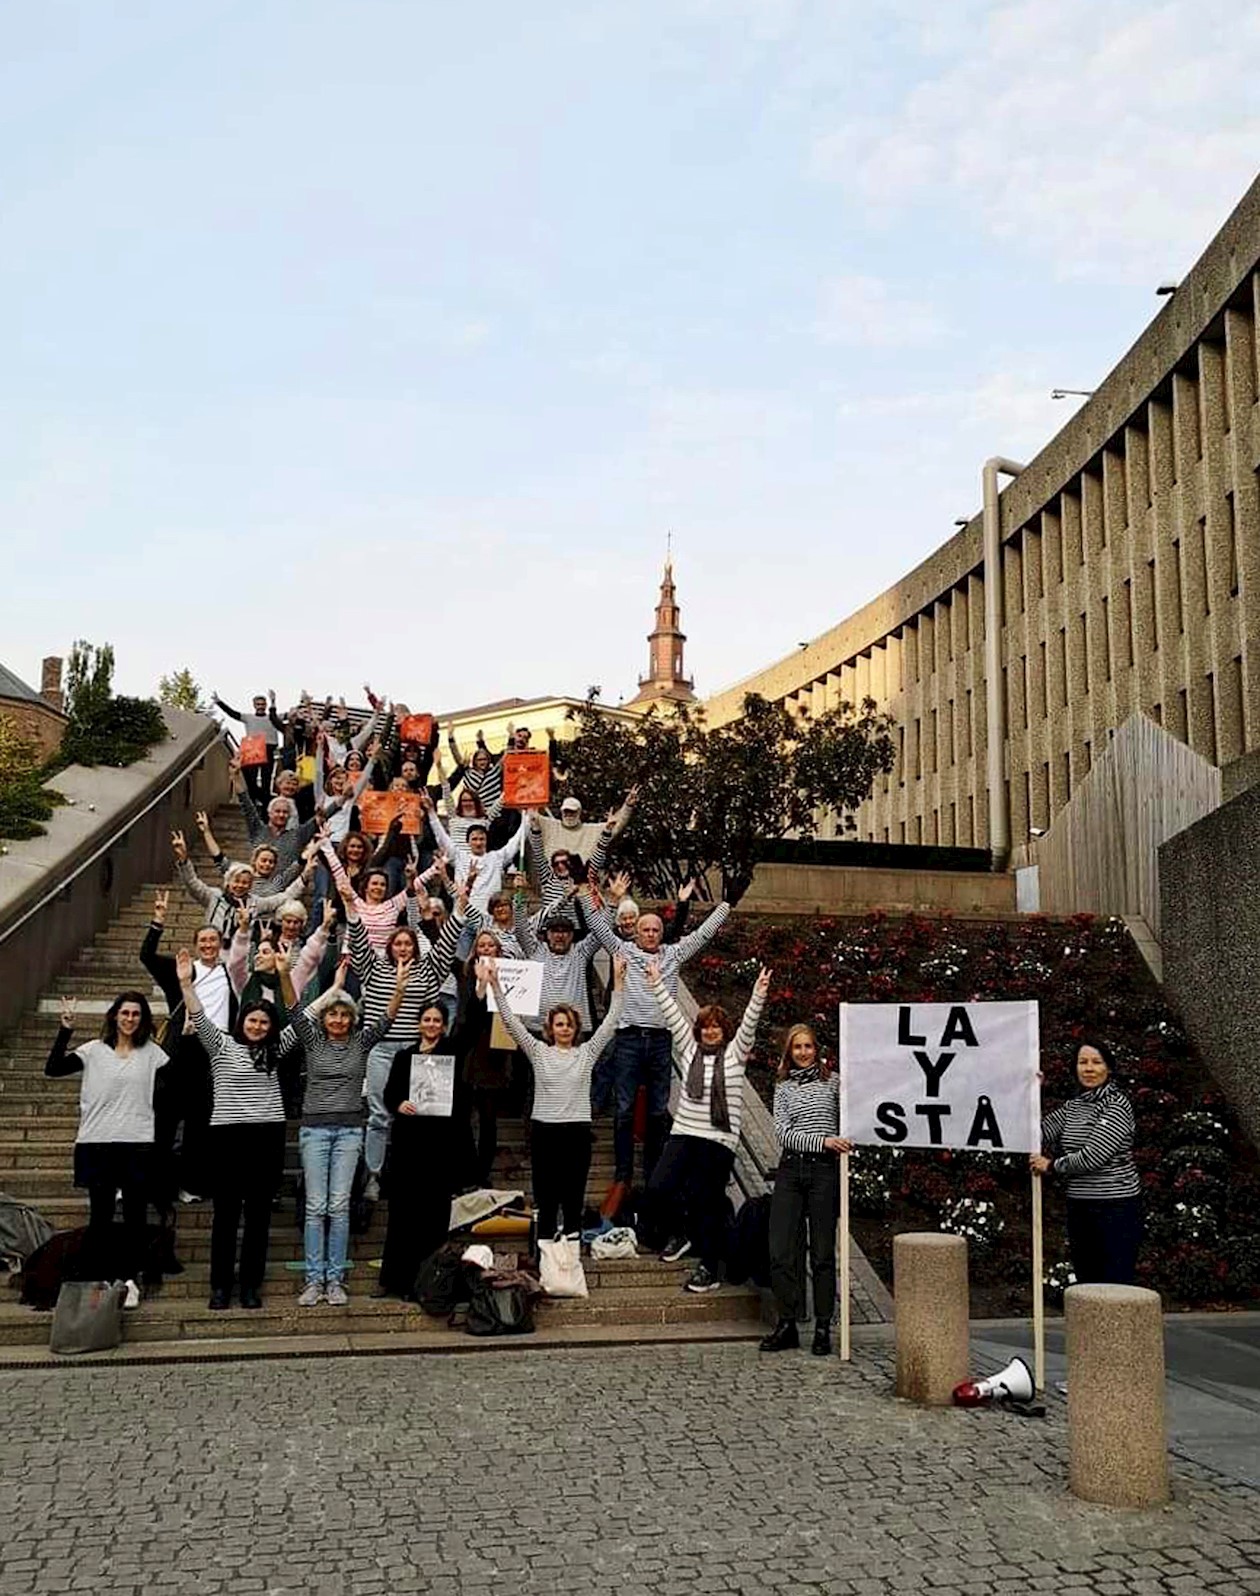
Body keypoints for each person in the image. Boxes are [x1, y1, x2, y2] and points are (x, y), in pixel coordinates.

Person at [175, 948, 302, 1310]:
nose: (258, 1027)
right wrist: (186, 983)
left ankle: (250, 1285)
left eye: (264, 1022)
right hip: (229, 1138)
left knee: (259, 1218)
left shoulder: (277, 1050)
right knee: (226, 1217)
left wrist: (283, 977)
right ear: (242, 1022)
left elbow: (301, 1019)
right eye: (252, 1021)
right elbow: (199, 1017)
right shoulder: (222, 1047)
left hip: (266, 1136)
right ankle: (220, 1285)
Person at [590, 872, 731, 1189]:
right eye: (645, 930)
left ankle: (653, 1172)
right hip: (627, 1039)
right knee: (624, 1109)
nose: (651, 934)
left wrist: (725, 904)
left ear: (661, 932)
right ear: (635, 932)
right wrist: (613, 900)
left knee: (657, 1110)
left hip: (659, 1040)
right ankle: (623, 1174)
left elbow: (704, 934)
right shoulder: (624, 951)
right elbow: (598, 926)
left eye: (656, 930)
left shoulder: (673, 954)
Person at [339, 869, 471, 1201]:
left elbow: (447, 941)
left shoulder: (429, 968)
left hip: (420, 1052)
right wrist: (350, 907)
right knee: (381, 1114)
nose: (401, 947)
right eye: (396, 943)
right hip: (381, 1050)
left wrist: (459, 908)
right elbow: (357, 937)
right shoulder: (374, 968)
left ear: (414, 946)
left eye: (407, 943)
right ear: (389, 947)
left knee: (424, 1116)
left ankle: (422, 1174)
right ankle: (373, 1175)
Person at [644, 962, 770, 1294]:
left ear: (724, 1031)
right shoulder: (688, 1048)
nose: (710, 1031)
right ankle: (683, 1232)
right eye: (705, 1027)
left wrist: (758, 993)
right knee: (658, 1186)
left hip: (718, 1138)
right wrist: (657, 982)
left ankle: (709, 1267)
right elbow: (671, 1012)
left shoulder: (735, 1054)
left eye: (716, 1027)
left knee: (706, 1201)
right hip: (684, 1130)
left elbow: (750, 1024)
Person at [292, 955, 410, 1306]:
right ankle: (314, 1279)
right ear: (325, 1018)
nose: (339, 1019)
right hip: (314, 1131)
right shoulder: (313, 1042)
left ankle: (335, 1279)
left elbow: (387, 1020)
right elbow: (293, 1008)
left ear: (352, 1019)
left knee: (340, 1205)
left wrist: (400, 988)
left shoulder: (360, 1043)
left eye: (345, 1014)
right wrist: (286, 973)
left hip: (348, 1132)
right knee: (316, 1206)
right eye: (333, 1014)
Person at [44, 992, 168, 1308]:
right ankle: (99, 1276)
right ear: (114, 1016)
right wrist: (65, 1029)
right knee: (100, 1215)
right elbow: (54, 1068)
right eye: (125, 1013)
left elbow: (179, 1078)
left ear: (143, 1019)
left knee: (135, 1216)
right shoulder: (93, 1051)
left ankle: (129, 1279)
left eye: (136, 1014)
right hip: (96, 1142)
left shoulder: (152, 1053)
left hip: (137, 1142)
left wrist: (188, 1038)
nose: (130, 1019)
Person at [489, 956, 626, 1240]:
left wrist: (619, 981)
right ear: (551, 1028)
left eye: (569, 1024)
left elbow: (612, 1021)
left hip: (576, 1132)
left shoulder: (587, 1053)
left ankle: (571, 1256)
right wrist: (495, 985)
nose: (564, 1028)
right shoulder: (538, 1051)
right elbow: (512, 1023)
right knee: (547, 1198)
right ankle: (546, 1258)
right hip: (544, 1132)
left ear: (576, 1029)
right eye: (559, 1024)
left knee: (573, 1197)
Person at [140, 894, 236, 1204]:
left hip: (212, 1055)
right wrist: (158, 920)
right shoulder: (184, 970)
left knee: (199, 1125)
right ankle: (158, 1187)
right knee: (165, 1122)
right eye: (203, 941)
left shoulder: (229, 974)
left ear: (221, 945)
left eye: (213, 940)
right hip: (180, 1052)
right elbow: (146, 956)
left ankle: (191, 1184)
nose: (208, 945)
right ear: (196, 945)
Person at [762, 1023, 848, 1356]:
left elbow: (851, 1115)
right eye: (796, 1047)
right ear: (789, 1051)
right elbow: (783, 1133)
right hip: (791, 1169)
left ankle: (824, 1325)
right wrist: (823, 1141)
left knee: (823, 1253)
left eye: (808, 1046)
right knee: (781, 1250)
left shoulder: (834, 1082)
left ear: (817, 1049)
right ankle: (787, 1323)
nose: (802, 1052)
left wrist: (833, 1144)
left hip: (824, 1173)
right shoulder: (782, 1087)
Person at [1031, 1040, 1142, 1285]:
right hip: (1080, 1205)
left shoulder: (1117, 1106)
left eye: (1096, 1062)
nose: (1089, 1069)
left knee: (1115, 1283)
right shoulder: (1074, 1107)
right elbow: (1037, 1132)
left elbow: (1093, 1156)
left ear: (1109, 1068)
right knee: (1087, 1282)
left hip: (1115, 1207)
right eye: (1083, 1062)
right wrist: (1030, 1093)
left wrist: (1051, 1165)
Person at [378, 1003, 460, 1298]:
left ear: (444, 1025)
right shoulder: (403, 1057)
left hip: (438, 1148)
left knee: (433, 1218)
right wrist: (399, 1104)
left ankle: (428, 1282)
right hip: (408, 1147)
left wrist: (481, 990)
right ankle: (397, 1281)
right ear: (418, 1023)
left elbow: (471, 1029)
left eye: (437, 1020)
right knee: (402, 1216)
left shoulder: (451, 1053)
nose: (431, 1024)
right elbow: (389, 1094)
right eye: (426, 1019)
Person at [213, 689, 285, 804]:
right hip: (253, 751)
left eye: (262, 704)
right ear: (254, 705)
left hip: (269, 749)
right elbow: (233, 713)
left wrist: (273, 701)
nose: (260, 706)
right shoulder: (248, 717)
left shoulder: (273, 717)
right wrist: (219, 702)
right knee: (251, 780)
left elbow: (289, 715)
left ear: (266, 705)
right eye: (258, 704)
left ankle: (266, 805)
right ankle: (256, 802)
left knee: (266, 780)